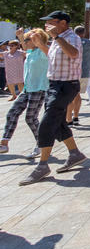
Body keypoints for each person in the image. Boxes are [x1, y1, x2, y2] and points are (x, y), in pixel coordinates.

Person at [19, 11, 87, 186]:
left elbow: (73, 53)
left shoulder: (72, 38)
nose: (46, 25)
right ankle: (75, 153)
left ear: (62, 23)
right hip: (55, 84)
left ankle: (42, 165)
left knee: (47, 122)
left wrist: (56, 37)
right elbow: (53, 56)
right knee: (58, 122)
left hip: (65, 85)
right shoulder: (58, 39)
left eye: (50, 22)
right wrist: (41, 44)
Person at [1, 29, 49, 157]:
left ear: (36, 40)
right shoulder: (30, 52)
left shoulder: (43, 52)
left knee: (30, 118)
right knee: (12, 113)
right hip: (27, 89)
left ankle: (42, 144)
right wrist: (21, 36)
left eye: (28, 40)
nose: (25, 42)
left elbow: (48, 52)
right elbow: (25, 46)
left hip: (38, 88)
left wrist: (38, 41)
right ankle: (4, 143)